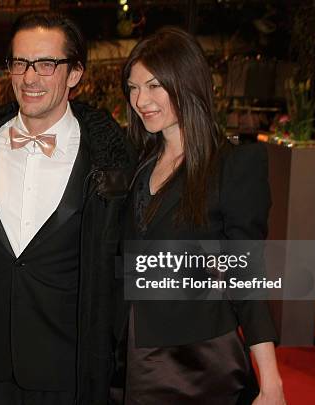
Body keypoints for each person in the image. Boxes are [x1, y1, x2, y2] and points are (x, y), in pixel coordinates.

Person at [0, 11, 134, 405]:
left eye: (46, 64)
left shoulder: (109, 161)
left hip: (69, 373)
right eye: (20, 63)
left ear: (74, 74)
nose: (30, 77)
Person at [115, 27, 286, 404]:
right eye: (133, 87)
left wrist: (271, 380)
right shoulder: (137, 161)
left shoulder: (232, 167)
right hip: (127, 357)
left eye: (155, 85)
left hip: (195, 366)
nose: (141, 99)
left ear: (186, 82)